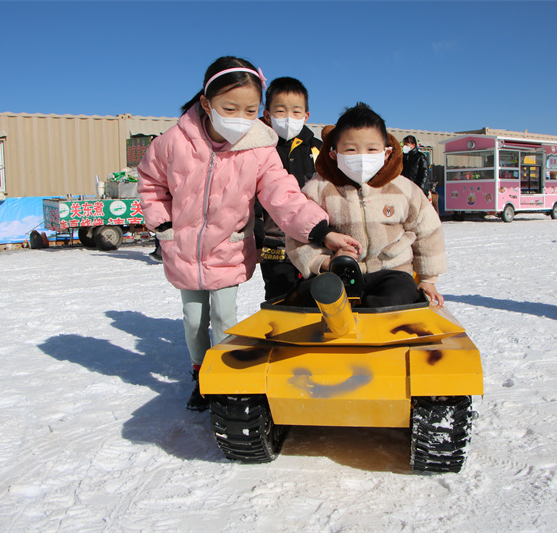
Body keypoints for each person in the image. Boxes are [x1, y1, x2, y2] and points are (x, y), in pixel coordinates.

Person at [137, 57, 359, 411]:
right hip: (182, 250)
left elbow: (282, 193)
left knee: (225, 317)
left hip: (228, 246)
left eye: (250, 110)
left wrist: (320, 231)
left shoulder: (259, 147)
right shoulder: (171, 142)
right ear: (207, 103)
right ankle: (199, 373)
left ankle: (221, 376)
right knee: (194, 319)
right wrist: (164, 225)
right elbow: (150, 184)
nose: (240, 117)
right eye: (230, 108)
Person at [285, 103, 446, 309]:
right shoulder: (318, 190)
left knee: (399, 295)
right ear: (334, 154)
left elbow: (428, 231)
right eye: (351, 149)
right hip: (337, 274)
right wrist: (323, 262)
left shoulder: (404, 190)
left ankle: (376, 330)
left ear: (386, 153)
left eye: (371, 149)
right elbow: (296, 233)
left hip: (391, 272)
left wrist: (428, 279)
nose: (362, 157)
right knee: (308, 299)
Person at [256, 77, 323, 300]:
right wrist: (256, 236)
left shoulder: (317, 149)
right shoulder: (259, 148)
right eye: (280, 111)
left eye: (296, 112)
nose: (288, 118)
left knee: (314, 295)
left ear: (306, 115)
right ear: (267, 114)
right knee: (279, 296)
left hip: (313, 240)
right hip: (274, 241)